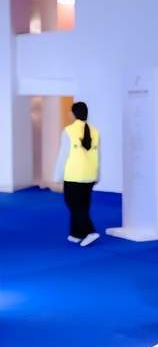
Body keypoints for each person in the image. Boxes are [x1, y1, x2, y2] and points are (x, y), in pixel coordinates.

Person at [53, 102, 101, 247]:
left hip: (74, 175)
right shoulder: (95, 131)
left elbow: (63, 155)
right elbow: (98, 155)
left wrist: (58, 175)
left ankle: (90, 231)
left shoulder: (68, 131)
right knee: (83, 204)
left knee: (74, 204)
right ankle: (76, 233)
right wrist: (97, 175)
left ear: (73, 114)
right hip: (89, 175)